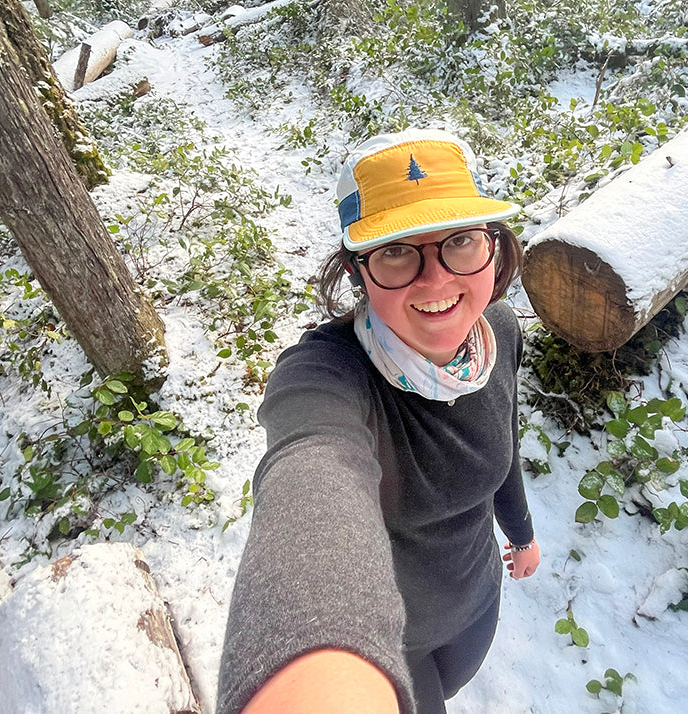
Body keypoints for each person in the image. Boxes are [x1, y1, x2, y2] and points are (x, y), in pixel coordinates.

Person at [216, 128, 540, 714]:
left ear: (494, 245)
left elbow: (503, 445)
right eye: (396, 250)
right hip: (392, 651)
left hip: (476, 605)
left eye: (461, 240)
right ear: (358, 269)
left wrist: (521, 532)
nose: (436, 279)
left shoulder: (499, 331)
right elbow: (312, 475)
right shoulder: (327, 376)